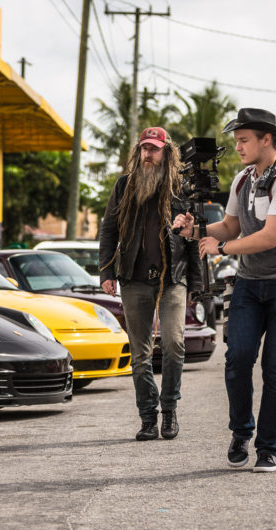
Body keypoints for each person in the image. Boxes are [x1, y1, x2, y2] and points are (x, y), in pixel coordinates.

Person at [173, 108, 276, 473]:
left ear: (267, 139)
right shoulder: (242, 180)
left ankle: (268, 448)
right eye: (236, 140)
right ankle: (240, 433)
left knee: (275, 369)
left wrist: (219, 250)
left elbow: (269, 237)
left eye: (244, 139)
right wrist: (195, 232)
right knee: (237, 361)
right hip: (250, 286)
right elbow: (231, 227)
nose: (237, 146)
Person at [99, 126, 203, 441]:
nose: (148, 154)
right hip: (133, 279)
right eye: (144, 148)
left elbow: (194, 237)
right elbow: (109, 230)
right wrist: (106, 272)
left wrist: (196, 284)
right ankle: (148, 417)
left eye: (154, 149)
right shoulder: (123, 187)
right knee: (140, 353)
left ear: (166, 152)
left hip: (173, 279)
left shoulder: (180, 190)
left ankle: (169, 410)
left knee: (173, 344)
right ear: (138, 151)